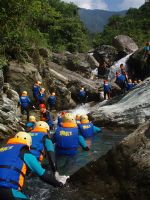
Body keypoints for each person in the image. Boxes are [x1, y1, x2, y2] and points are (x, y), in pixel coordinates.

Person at [0, 132, 69, 200]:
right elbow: (42, 174)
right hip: (7, 192)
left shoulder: (2, 149)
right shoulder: (24, 151)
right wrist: (59, 184)